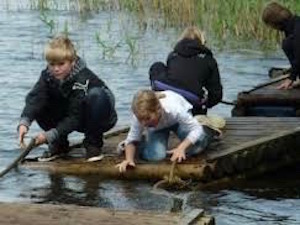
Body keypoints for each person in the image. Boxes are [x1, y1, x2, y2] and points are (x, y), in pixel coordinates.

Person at [18, 36, 117, 162]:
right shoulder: (47, 76)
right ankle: (59, 145)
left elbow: (75, 116)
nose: (56, 69)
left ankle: (93, 145)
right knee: (40, 102)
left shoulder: (82, 79)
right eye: (52, 64)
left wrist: (48, 136)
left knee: (96, 96)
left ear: (73, 62)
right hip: (71, 113)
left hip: (98, 117)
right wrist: (24, 123)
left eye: (61, 64)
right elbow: (35, 99)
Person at [116, 90, 217, 173]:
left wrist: (181, 148)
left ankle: (208, 131)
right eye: (140, 119)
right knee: (156, 157)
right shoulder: (140, 115)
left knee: (198, 144)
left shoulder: (174, 108)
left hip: (178, 123)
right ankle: (141, 145)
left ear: (158, 110)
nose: (143, 123)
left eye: (147, 118)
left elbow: (196, 129)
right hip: (158, 128)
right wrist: (129, 160)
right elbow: (132, 138)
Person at [149, 26, 223, 115]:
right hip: (192, 97)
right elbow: (216, 94)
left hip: (169, 90)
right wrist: (206, 103)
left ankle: (160, 101)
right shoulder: (209, 60)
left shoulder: (173, 55)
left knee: (157, 66)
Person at [262, 1, 300, 89]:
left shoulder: (295, 32)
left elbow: (299, 56)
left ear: (274, 22)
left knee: (287, 44)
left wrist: (291, 78)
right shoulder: (295, 23)